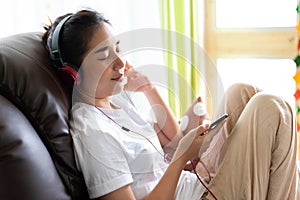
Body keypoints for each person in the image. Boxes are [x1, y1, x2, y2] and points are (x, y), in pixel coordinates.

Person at [42, 9, 299, 200]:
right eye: (105, 56)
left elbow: (173, 141)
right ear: (74, 73)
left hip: (195, 180)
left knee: (240, 92)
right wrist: (181, 158)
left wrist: (147, 89)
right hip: (199, 196)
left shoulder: (115, 101)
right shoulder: (92, 132)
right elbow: (177, 153)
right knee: (270, 108)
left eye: (117, 49)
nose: (120, 63)